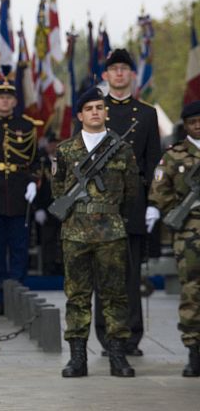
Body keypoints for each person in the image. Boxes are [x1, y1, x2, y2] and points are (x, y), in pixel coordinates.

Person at [52, 87, 138, 378]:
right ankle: (77, 358)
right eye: (89, 108)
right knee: (76, 295)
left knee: (115, 295)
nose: (95, 112)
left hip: (110, 232)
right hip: (75, 232)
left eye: (100, 107)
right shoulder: (65, 150)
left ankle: (117, 355)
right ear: (80, 115)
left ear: (106, 112)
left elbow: (132, 191)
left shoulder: (122, 148)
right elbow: (57, 189)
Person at [94, 48, 161, 356]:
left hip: (133, 202)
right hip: (101, 204)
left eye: (124, 68)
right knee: (104, 274)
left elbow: (153, 162)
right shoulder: (94, 110)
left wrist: (153, 202)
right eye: (114, 69)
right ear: (105, 76)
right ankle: (108, 337)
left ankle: (131, 337)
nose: (119, 73)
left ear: (132, 74)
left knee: (131, 275)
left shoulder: (146, 113)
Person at [0, 80, 41, 316]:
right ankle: (0, 298)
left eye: (8, 98)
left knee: (20, 248)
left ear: (14, 101)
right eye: (0, 98)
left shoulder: (27, 126)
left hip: (20, 195)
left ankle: (18, 295)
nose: (4, 101)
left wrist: (34, 181)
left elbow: (36, 162)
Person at [147, 100, 200, 377]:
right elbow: (159, 191)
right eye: (193, 122)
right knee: (191, 290)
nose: (198, 125)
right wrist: (179, 212)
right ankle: (194, 351)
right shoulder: (174, 155)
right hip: (189, 233)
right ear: (186, 125)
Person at [34, 133, 63, 275]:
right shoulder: (41, 161)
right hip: (47, 207)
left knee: (64, 238)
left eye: (57, 143)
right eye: (52, 143)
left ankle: (63, 267)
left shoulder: (65, 161)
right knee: (48, 239)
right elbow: (38, 187)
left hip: (63, 205)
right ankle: (48, 268)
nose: (55, 146)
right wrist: (38, 208)